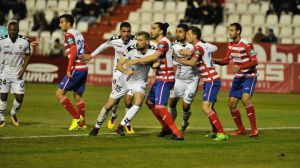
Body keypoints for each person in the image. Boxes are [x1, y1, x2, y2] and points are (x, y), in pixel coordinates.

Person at [89, 31, 156, 136]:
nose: (137, 42)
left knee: (138, 101)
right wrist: (126, 71)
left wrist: (155, 63)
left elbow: (156, 60)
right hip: (125, 79)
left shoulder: (153, 51)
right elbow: (119, 65)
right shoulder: (131, 49)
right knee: (109, 105)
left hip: (139, 82)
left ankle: (121, 126)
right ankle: (97, 126)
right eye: (137, 39)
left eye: (140, 40)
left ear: (147, 42)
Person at [127, 22, 184, 140]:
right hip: (160, 78)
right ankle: (165, 128)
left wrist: (136, 61)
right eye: (151, 28)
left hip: (166, 78)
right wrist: (155, 64)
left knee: (160, 107)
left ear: (161, 31)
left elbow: (155, 56)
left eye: (154, 28)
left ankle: (177, 133)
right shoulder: (160, 44)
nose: (151, 30)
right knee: (150, 102)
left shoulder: (164, 42)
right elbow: (157, 60)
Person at [174, 26, 228, 141]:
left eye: (188, 34)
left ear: (195, 36)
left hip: (211, 80)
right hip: (209, 80)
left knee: (205, 107)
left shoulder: (198, 48)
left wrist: (178, 60)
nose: (187, 36)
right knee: (210, 107)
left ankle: (222, 133)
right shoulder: (199, 47)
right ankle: (215, 131)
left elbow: (193, 62)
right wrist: (188, 53)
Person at [82, 22, 136, 133]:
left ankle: (127, 124)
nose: (126, 34)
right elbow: (103, 46)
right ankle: (114, 116)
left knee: (129, 101)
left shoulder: (136, 40)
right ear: (120, 32)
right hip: (118, 73)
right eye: (124, 31)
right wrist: (91, 55)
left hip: (131, 75)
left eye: (128, 31)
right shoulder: (114, 40)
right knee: (114, 102)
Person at [213, 22, 259, 137]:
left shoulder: (247, 44)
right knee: (232, 104)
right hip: (238, 77)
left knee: (245, 100)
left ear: (238, 31)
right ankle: (241, 129)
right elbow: (226, 60)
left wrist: (241, 67)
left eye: (232, 30)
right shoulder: (230, 44)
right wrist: (214, 60)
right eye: (229, 30)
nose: (230, 32)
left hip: (249, 76)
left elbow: (255, 61)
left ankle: (254, 129)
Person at [55, 14, 89, 131]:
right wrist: (88, 57)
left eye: (61, 22)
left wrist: (69, 69)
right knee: (78, 96)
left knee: (59, 94)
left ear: (68, 23)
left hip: (76, 68)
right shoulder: (78, 33)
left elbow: (73, 52)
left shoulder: (69, 34)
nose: (60, 24)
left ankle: (76, 118)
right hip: (84, 68)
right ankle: (83, 123)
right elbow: (87, 49)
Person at [0, 21, 31, 127]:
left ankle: (13, 113)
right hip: (4, 71)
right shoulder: (2, 40)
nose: (12, 31)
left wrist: (23, 69)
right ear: (8, 30)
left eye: (14, 30)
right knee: (3, 95)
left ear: (18, 30)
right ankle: (2, 118)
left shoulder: (25, 41)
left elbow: (28, 54)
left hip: (18, 73)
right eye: (10, 29)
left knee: (19, 98)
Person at [168, 24, 198, 132]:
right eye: (177, 31)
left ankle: (185, 122)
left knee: (185, 106)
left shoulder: (195, 45)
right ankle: (170, 127)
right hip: (179, 79)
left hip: (192, 80)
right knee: (171, 103)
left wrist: (182, 57)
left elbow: (194, 60)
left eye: (180, 31)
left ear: (186, 33)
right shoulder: (173, 45)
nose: (178, 34)